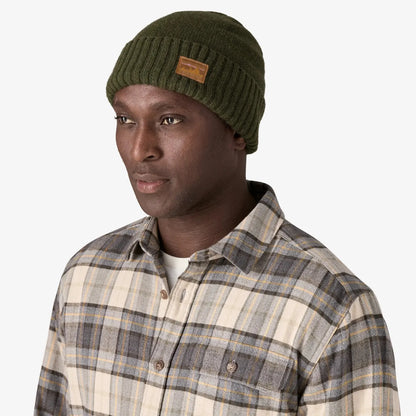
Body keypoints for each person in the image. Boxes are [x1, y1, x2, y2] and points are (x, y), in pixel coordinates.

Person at [34, 11, 400, 416]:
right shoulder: (86, 278)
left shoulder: (330, 307)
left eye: (169, 119)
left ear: (236, 130)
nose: (140, 149)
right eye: (125, 119)